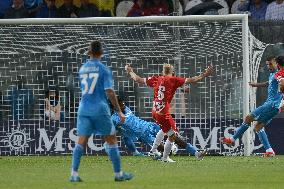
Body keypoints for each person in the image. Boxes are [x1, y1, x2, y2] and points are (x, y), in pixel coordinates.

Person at [70, 41, 133, 182]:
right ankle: (118, 174)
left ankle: (74, 174)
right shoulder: (103, 69)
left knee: (81, 141)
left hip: (83, 108)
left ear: (89, 52)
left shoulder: (82, 69)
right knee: (111, 139)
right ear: (102, 53)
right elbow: (110, 92)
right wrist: (119, 111)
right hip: (99, 109)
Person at [125, 63, 213, 162]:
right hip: (163, 114)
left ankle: (154, 150)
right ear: (172, 72)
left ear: (163, 72)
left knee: (164, 130)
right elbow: (193, 80)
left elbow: (137, 79)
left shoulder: (156, 79)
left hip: (155, 111)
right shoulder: (174, 80)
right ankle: (165, 158)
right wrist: (205, 74)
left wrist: (130, 71)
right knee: (172, 135)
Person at [221, 56, 282, 157]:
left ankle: (232, 139)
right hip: (273, 106)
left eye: (271, 64)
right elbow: (269, 83)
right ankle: (270, 151)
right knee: (258, 126)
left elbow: (282, 84)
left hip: (271, 105)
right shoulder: (272, 74)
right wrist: (256, 84)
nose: (269, 66)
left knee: (249, 117)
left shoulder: (279, 74)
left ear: (277, 64)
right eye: (267, 64)